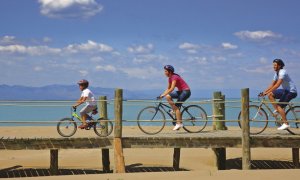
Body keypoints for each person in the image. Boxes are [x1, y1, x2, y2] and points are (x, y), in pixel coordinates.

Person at [260, 59, 297, 130]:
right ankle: (277, 110)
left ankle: (286, 123)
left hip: (291, 92)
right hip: (285, 91)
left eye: (275, 65)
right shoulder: (276, 73)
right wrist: (264, 92)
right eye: (273, 65)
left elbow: (277, 85)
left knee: (279, 106)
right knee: (270, 95)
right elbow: (272, 84)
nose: (273, 66)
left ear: (279, 66)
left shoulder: (282, 72)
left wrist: (266, 92)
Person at [159, 65, 191, 131]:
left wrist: (163, 95)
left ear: (170, 72)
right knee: (168, 96)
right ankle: (173, 110)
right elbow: (168, 89)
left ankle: (179, 123)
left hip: (186, 92)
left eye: (165, 71)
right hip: (181, 92)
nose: (164, 73)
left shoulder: (174, 77)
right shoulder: (170, 78)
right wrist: (162, 95)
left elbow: (172, 88)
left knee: (176, 108)